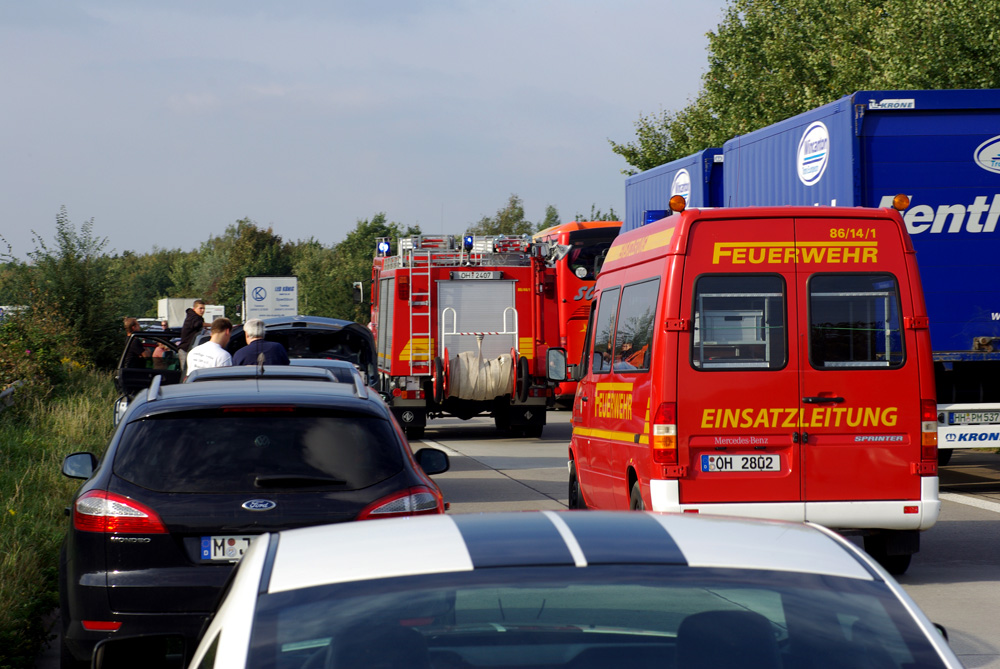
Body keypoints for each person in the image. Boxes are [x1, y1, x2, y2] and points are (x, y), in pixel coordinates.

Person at [178, 299, 207, 372]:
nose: (202, 310)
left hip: (191, 351)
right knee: (186, 373)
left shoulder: (196, 317)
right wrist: (213, 325)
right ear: (194, 309)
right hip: (185, 350)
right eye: (200, 308)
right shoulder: (192, 317)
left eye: (203, 308)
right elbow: (197, 324)